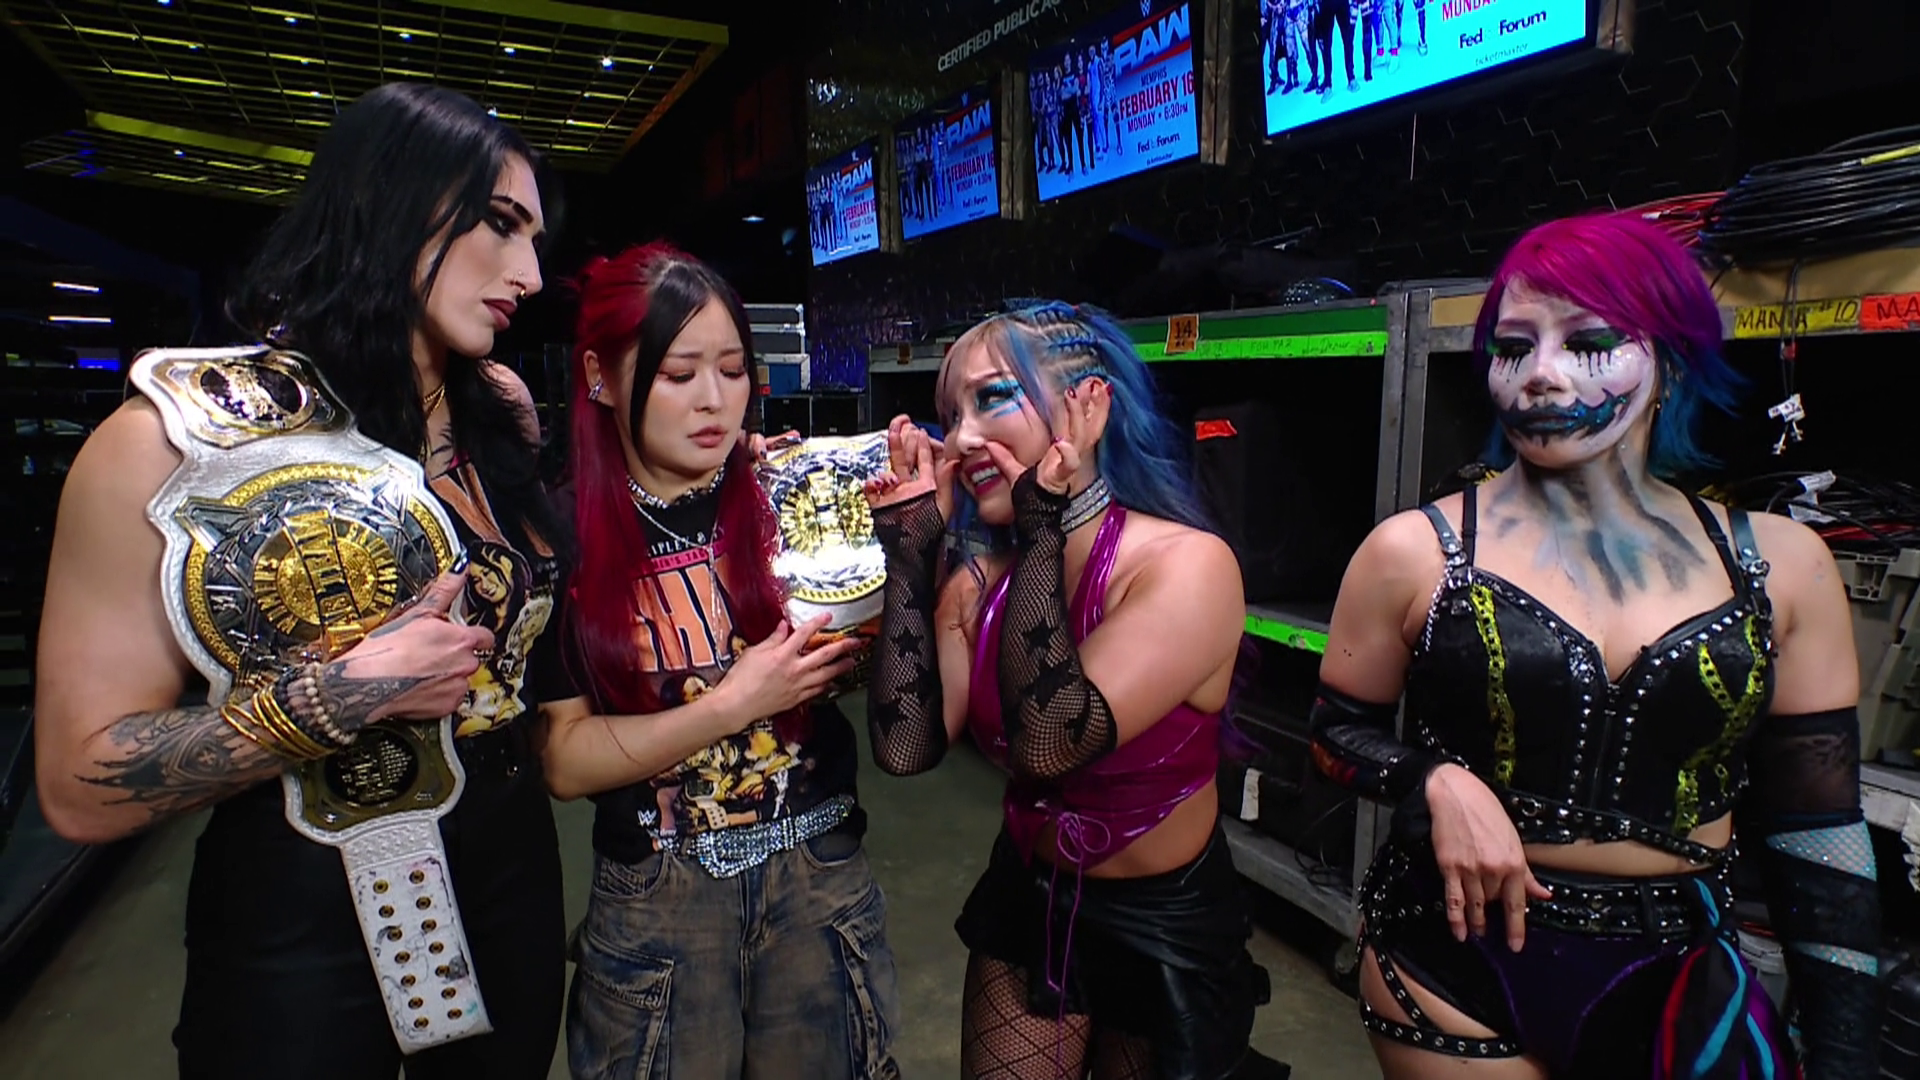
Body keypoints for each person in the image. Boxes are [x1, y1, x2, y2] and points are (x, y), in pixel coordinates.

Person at [33, 82, 568, 1078]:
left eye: (536, 238)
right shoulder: (168, 446)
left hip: (512, 883)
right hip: (301, 915)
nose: (530, 273)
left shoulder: (498, 410)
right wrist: (344, 695)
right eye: (500, 223)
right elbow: (77, 787)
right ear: (388, 202)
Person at [1310, 212, 1883, 1079]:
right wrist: (1434, 780)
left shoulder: (1782, 564)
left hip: (1680, 961)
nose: (1541, 373)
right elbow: (1332, 735)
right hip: (1453, 955)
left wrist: (1844, 1052)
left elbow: (1819, 826)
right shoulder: (1412, 552)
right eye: (1514, 347)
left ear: (1671, 360)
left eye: (1589, 342)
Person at [862, 302, 1282, 1080]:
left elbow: (1052, 739)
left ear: (1087, 405)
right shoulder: (979, 581)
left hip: (1162, 923)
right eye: (950, 415)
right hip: (1032, 900)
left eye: (992, 398)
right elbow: (905, 747)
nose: (961, 439)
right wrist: (911, 557)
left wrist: (1043, 525)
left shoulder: (1187, 565)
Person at [532, 242, 899, 1080]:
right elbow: (564, 760)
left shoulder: (788, 495)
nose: (713, 400)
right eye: (678, 373)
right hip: (660, 894)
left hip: (819, 876)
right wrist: (733, 704)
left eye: (733, 371)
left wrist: (909, 531)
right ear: (600, 377)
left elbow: (881, 678)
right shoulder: (558, 536)